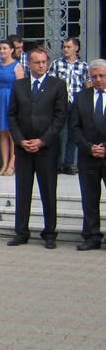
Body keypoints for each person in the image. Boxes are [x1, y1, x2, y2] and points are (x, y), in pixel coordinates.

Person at [6, 48, 67, 249]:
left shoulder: (57, 85)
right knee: (23, 191)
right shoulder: (19, 85)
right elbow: (12, 115)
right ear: (29, 64)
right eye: (37, 62)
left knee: (48, 191)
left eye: (44, 62)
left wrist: (42, 140)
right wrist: (20, 140)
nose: (41, 65)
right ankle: (21, 232)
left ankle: (49, 233)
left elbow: (60, 117)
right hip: (23, 148)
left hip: (46, 149)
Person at [68, 59, 106, 251]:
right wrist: (89, 147)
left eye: (102, 76)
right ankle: (92, 237)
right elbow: (74, 128)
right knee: (90, 199)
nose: (98, 80)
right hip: (88, 157)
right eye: (94, 77)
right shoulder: (81, 97)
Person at [47, 36, 90, 175]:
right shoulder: (56, 64)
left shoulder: (83, 66)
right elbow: (50, 84)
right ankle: (57, 163)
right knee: (58, 133)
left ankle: (68, 164)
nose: (65, 49)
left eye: (68, 47)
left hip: (76, 103)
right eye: (64, 47)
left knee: (73, 134)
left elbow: (88, 86)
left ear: (76, 48)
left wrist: (87, 104)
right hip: (60, 102)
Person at [0, 39, 24, 176]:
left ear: (12, 50)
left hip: (11, 99)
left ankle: (12, 164)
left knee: (12, 132)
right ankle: (4, 163)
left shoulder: (17, 66)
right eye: (0, 48)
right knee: (2, 132)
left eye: (5, 48)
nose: (2, 51)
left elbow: (21, 87)